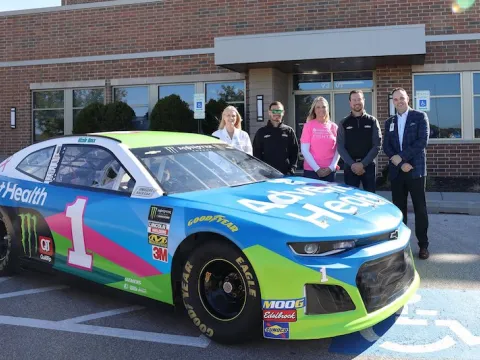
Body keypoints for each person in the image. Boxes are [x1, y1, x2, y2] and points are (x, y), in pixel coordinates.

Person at [383, 87, 430, 260]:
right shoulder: (390, 122)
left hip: (415, 170)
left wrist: (401, 158)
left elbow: (422, 142)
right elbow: (386, 146)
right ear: (393, 102)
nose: (399, 101)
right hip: (397, 172)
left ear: (407, 98)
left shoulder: (419, 117)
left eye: (401, 98)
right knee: (399, 210)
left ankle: (423, 245)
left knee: (420, 209)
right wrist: (399, 163)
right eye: (395, 99)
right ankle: (401, 247)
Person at [336, 90, 382, 192]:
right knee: (350, 199)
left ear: (364, 100)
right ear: (350, 102)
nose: (357, 102)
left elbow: (377, 145)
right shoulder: (343, 123)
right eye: (354, 100)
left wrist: (363, 164)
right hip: (350, 167)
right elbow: (340, 146)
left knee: (370, 199)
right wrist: (352, 164)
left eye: (359, 99)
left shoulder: (372, 121)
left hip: (368, 166)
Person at [300, 96, 340, 182]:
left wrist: (332, 167)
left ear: (327, 109)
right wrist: (317, 169)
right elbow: (304, 150)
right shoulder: (308, 126)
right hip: (311, 171)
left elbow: (338, 149)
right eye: (318, 107)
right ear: (314, 109)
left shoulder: (334, 127)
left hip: (329, 172)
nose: (321, 109)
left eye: (324, 107)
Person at [252, 101, 299, 175]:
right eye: (274, 111)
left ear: (283, 112)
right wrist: (261, 170)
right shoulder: (261, 132)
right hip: (266, 174)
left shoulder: (289, 131)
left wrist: (292, 169)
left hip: (285, 174)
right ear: (269, 112)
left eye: (279, 111)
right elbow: (256, 153)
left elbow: (294, 152)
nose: (276, 113)